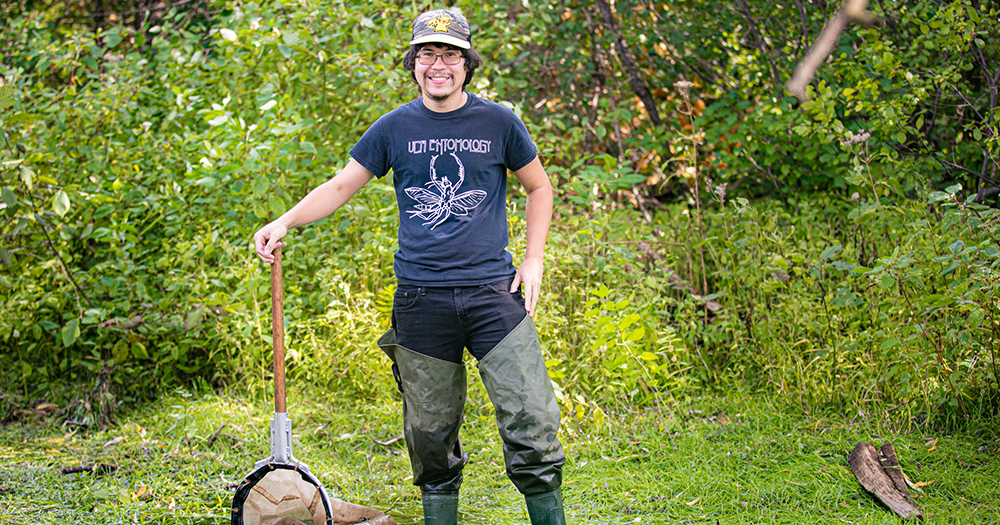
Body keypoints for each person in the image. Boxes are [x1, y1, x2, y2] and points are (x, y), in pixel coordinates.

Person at [253, 8, 566, 525]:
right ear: (414, 63)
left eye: (448, 54)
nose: (437, 64)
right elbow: (339, 186)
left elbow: (539, 186)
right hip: (421, 301)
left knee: (531, 417)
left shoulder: (499, 122)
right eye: (427, 54)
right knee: (429, 434)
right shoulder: (394, 127)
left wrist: (533, 260)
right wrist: (284, 222)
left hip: (494, 295)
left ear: (466, 64)